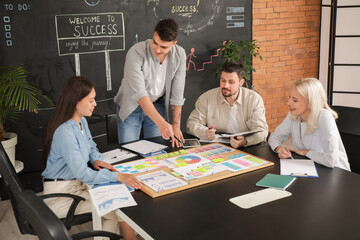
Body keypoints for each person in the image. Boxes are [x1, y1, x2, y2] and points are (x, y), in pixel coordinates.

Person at [42, 76, 142, 240]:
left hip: (77, 187)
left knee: (116, 207)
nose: (95, 104)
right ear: (76, 102)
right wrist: (119, 176)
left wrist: (95, 159)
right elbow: (83, 173)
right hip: (61, 196)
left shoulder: (81, 122)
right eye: (91, 100)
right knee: (116, 208)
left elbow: (91, 147)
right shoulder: (65, 133)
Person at [114, 18, 186, 147]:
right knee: (129, 151)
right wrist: (161, 123)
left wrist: (175, 126)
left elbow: (177, 94)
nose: (157, 50)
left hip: (157, 105)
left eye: (163, 47)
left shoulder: (180, 55)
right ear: (153, 35)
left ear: (174, 44)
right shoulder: (136, 52)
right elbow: (140, 94)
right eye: (155, 43)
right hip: (131, 105)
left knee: (155, 150)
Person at [268, 77, 350, 171]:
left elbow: (331, 161)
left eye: (295, 100)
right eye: (289, 97)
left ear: (310, 103)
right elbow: (274, 137)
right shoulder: (293, 116)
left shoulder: (324, 117)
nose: (288, 103)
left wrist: (306, 152)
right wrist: (279, 148)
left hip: (336, 172)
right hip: (309, 169)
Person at [186, 61, 268, 148]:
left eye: (231, 82)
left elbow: (262, 131)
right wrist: (205, 132)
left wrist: (245, 141)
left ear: (241, 82)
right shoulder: (207, 97)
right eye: (223, 80)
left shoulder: (254, 99)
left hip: (247, 147)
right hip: (217, 146)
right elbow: (191, 124)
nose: (225, 86)